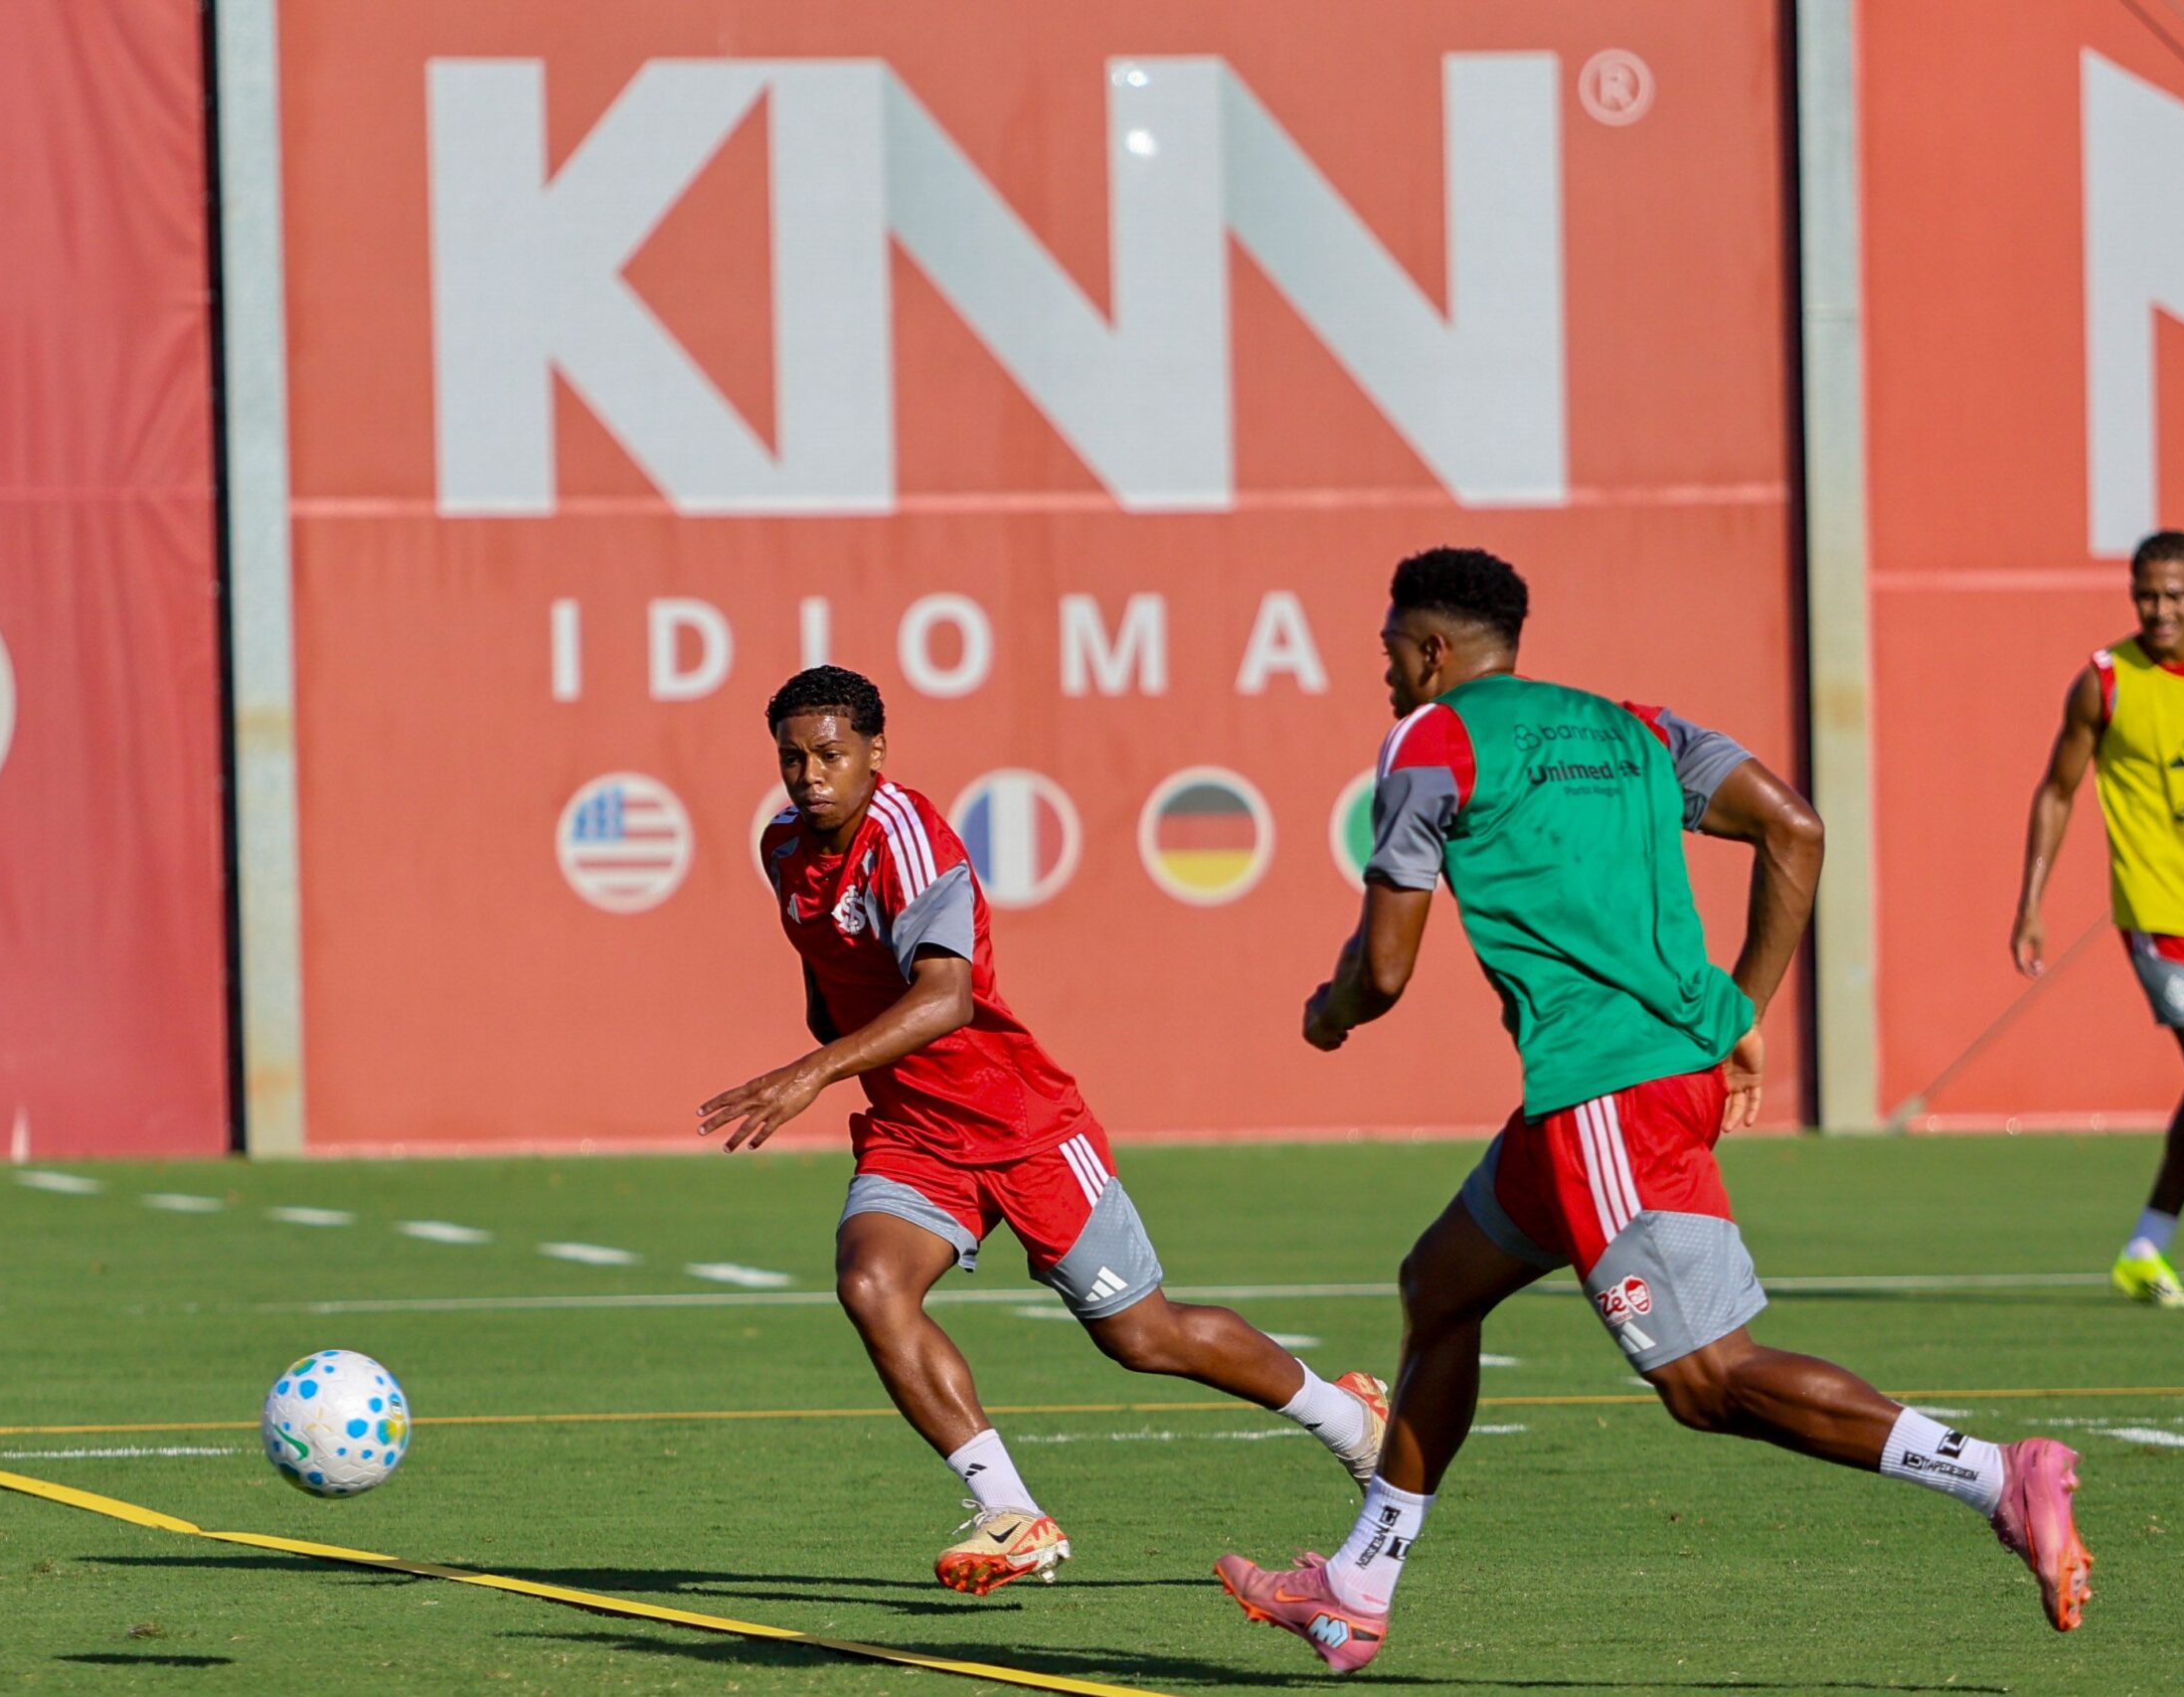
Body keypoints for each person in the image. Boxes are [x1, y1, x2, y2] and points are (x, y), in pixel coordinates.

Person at [1215, 548, 2091, 1672]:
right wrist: (1735, 1011)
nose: (1383, 673)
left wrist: (1327, 1014)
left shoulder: (1430, 739)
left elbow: (1381, 973)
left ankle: (1995, 1478)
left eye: (1389, 650)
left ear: (1432, 650)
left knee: (1706, 1380)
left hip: (1604, 1093)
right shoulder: (1631, 726)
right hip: (1603, 1093)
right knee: (1437, 1289)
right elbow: (1794, 827)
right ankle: (1356, 1585)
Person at [700, 665, 1388, 1595]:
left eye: (830, 754)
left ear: (876, 754)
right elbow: (831, 983)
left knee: (1142, 1335)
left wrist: (813, 1071)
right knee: (870, 1281)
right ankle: (1012, 1512)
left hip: (1020, 1123)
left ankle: (1347, 1418)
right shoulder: (784, 845)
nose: (810, 775)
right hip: (916, 1131)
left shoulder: (912, 840)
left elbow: (946, 998)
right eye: (792, 757)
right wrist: (831, 1044)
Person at [2012, 528, 2184, 1310]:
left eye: (2173, 595)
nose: (2158, 610)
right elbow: (2057, 791)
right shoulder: (2105, 682)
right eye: (2146, 595)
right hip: (2162, 915)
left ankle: (2147, 1244)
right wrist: (2031, 902)